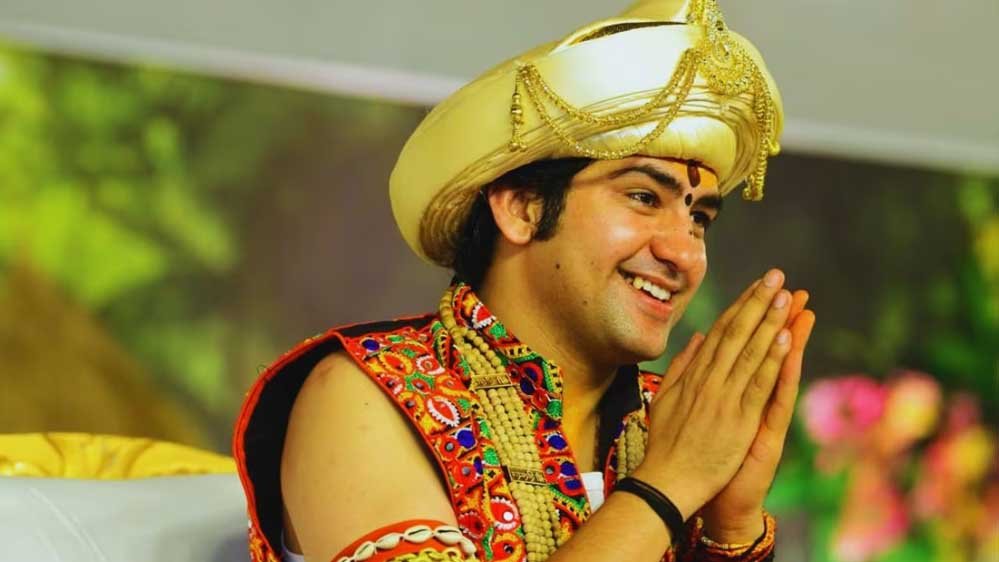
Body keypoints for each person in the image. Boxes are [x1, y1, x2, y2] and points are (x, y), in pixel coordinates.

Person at [233, 1, 817, 561]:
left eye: (699, 219)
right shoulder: (369, 392)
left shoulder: (669, 420)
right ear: (521, 208)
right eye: (643, 197)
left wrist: (731, 526)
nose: (683, 253)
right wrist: (668, 483)